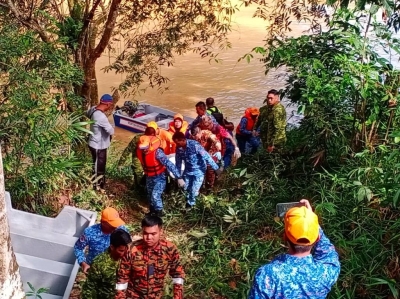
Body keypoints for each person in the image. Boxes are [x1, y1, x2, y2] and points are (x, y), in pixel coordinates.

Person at [248, 199, 340, 299]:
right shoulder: (326, 273)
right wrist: (310, 223)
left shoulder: (267, 275)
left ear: (285, 237)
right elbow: (329, 253)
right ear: (317, 238)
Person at [115, 215, 185, 299]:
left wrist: (178, 296)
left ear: (161, 231)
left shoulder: (169, 249)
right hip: (133, 295)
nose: (149, 237)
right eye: (146, 233)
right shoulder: (131, 249)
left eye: (153, 234)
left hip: (156, 296)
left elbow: (178, 274)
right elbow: (122, 278)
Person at [137, 135, 185, 216]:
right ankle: (152, 212)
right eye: (142, 148)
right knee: (150, 195)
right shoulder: (140, 152)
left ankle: (160, 214)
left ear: (149, 144)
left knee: (155, 195)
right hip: (149, 176)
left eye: (145, 147)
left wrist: (179, 177)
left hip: (160, 177)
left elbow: (169, 164)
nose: (144, 150)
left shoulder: (158, 153)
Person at [173, 132, 222, 209]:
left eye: (177, 142)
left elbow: (206, 156)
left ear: (182, 139)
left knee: (194, 191)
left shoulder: (195, 145)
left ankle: (191, 206)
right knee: (186, 188)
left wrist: (216, 168)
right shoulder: (179, 148)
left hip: (199, 171)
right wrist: (178, 177)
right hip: (188, 171)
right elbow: (178, 163)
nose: (177, 144)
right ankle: (192, 201)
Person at [81, 229, 132, 299]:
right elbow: (89, 288)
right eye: (121, 251)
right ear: (112, 247)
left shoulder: (132, 256)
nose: (126, 253)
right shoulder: (99, 264)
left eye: (128, 250)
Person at [74, 207, 127, 274]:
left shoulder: (121, 229)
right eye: (112, 224)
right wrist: (83, 263)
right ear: (103, 222)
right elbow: (78, 248)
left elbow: (127, 245)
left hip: (115, 268)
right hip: (95, 269)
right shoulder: (90, 232)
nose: (115, 227)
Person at [86, 94, 115, 189]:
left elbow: (86, 113)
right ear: (107, 104)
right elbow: (111, 131)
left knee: (97, 164)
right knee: (98, 167)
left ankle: (100, 184)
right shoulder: (100, 116)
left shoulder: (93, 109)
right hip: (98, 145)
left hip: (93, 141)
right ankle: (97, 186)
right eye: (110, 105)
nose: (110, 108)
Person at [190, 126, 222, 191]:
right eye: (194, 137)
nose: (195, 138)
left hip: (211, 152)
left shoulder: (207, 134)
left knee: (209, 169)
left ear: (199, 133)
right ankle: (200, 186)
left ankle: (210, 186)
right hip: (201, 153)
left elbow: (217, 141)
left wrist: (219, 151)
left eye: (196, 136)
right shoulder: (193, 137)